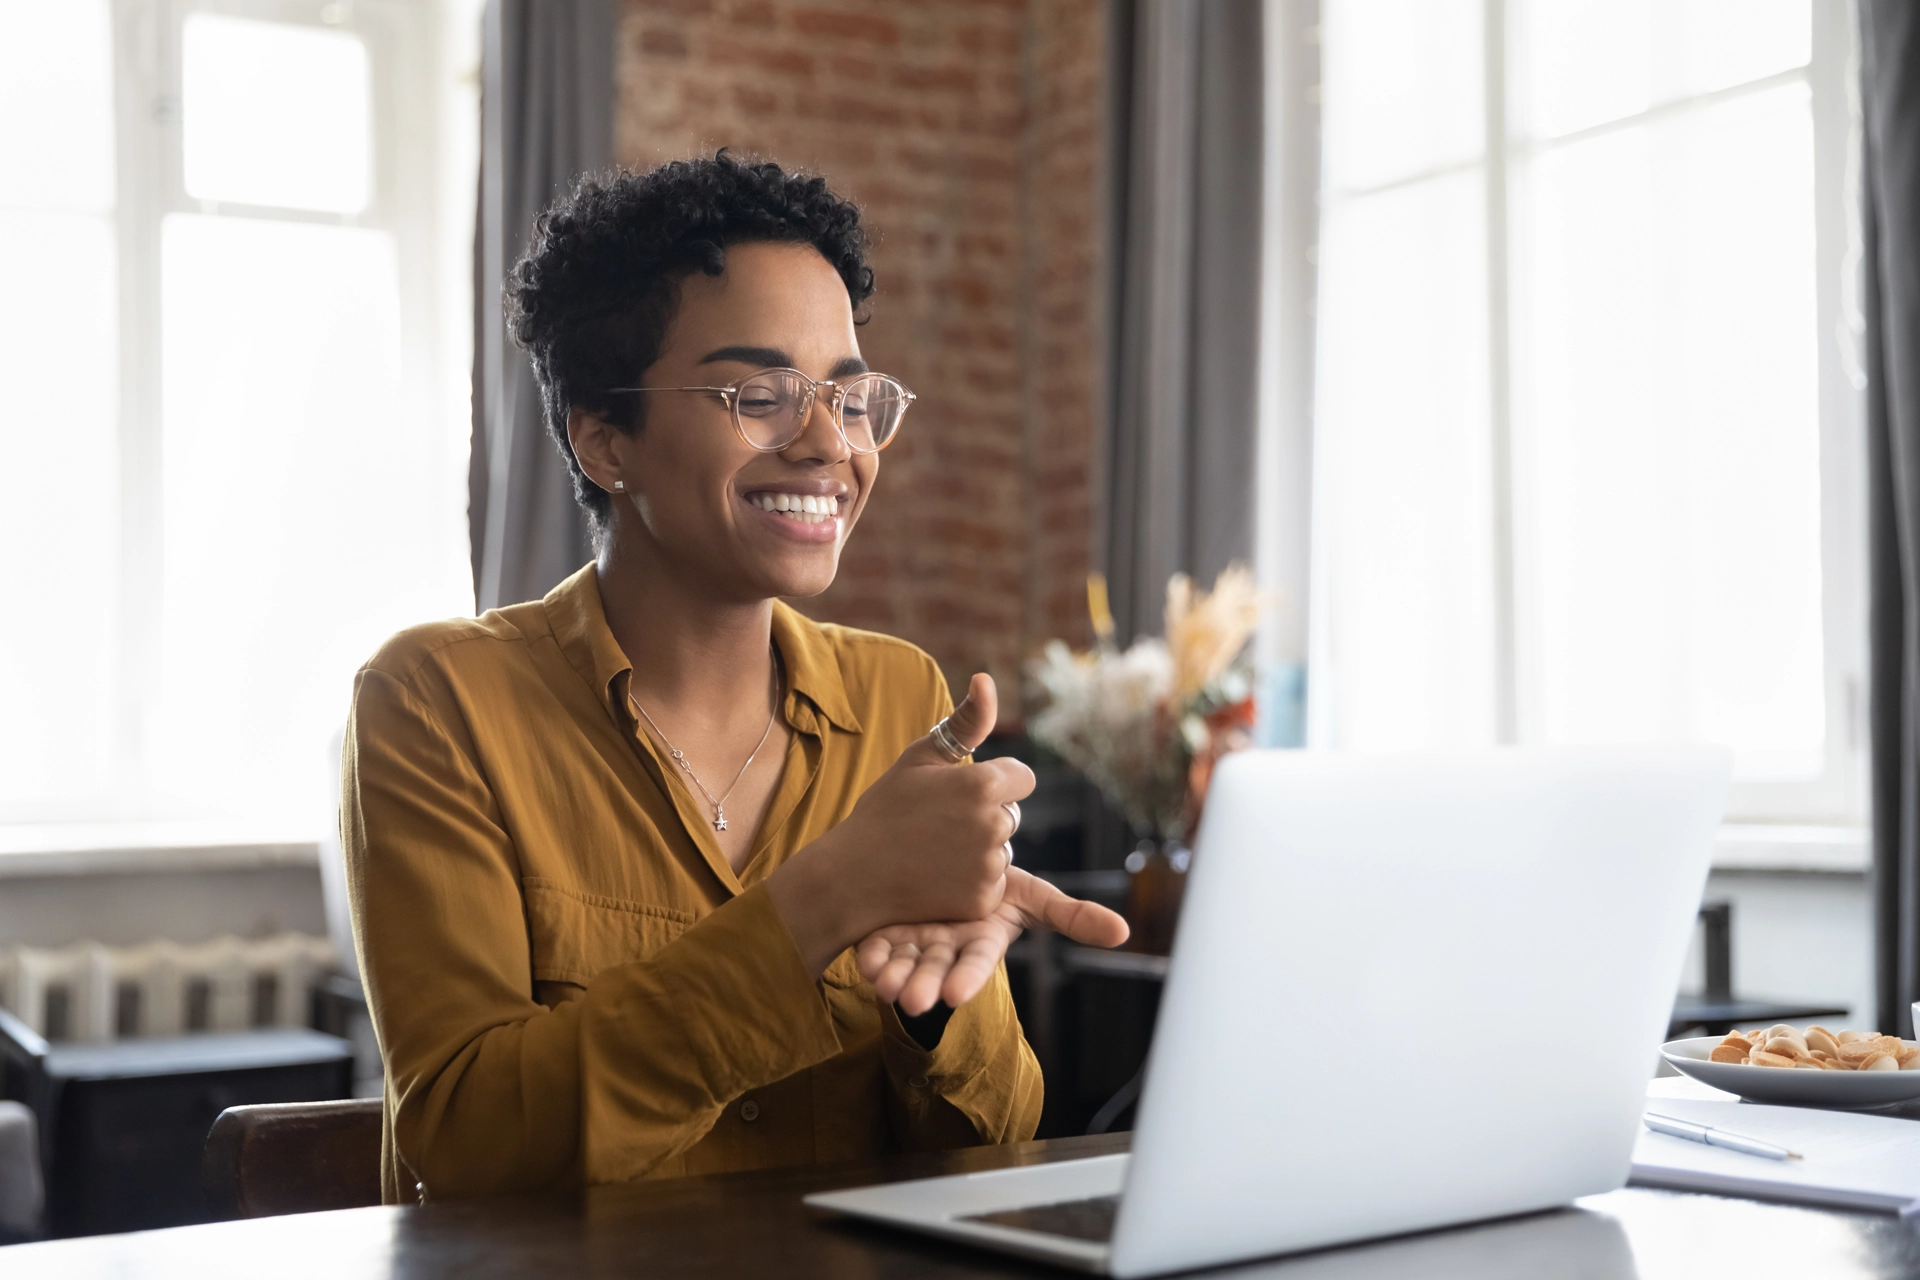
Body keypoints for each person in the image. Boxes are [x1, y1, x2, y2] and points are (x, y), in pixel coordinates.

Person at [341, 153, 1129, 1204]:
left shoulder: (903, 701)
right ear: (602, 433)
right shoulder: (437, 703)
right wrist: (824, 898)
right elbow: (471, 1142)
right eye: (761, 394)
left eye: (852, 400)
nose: (827, 445)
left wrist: (938, 1007)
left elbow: (993, 1138)